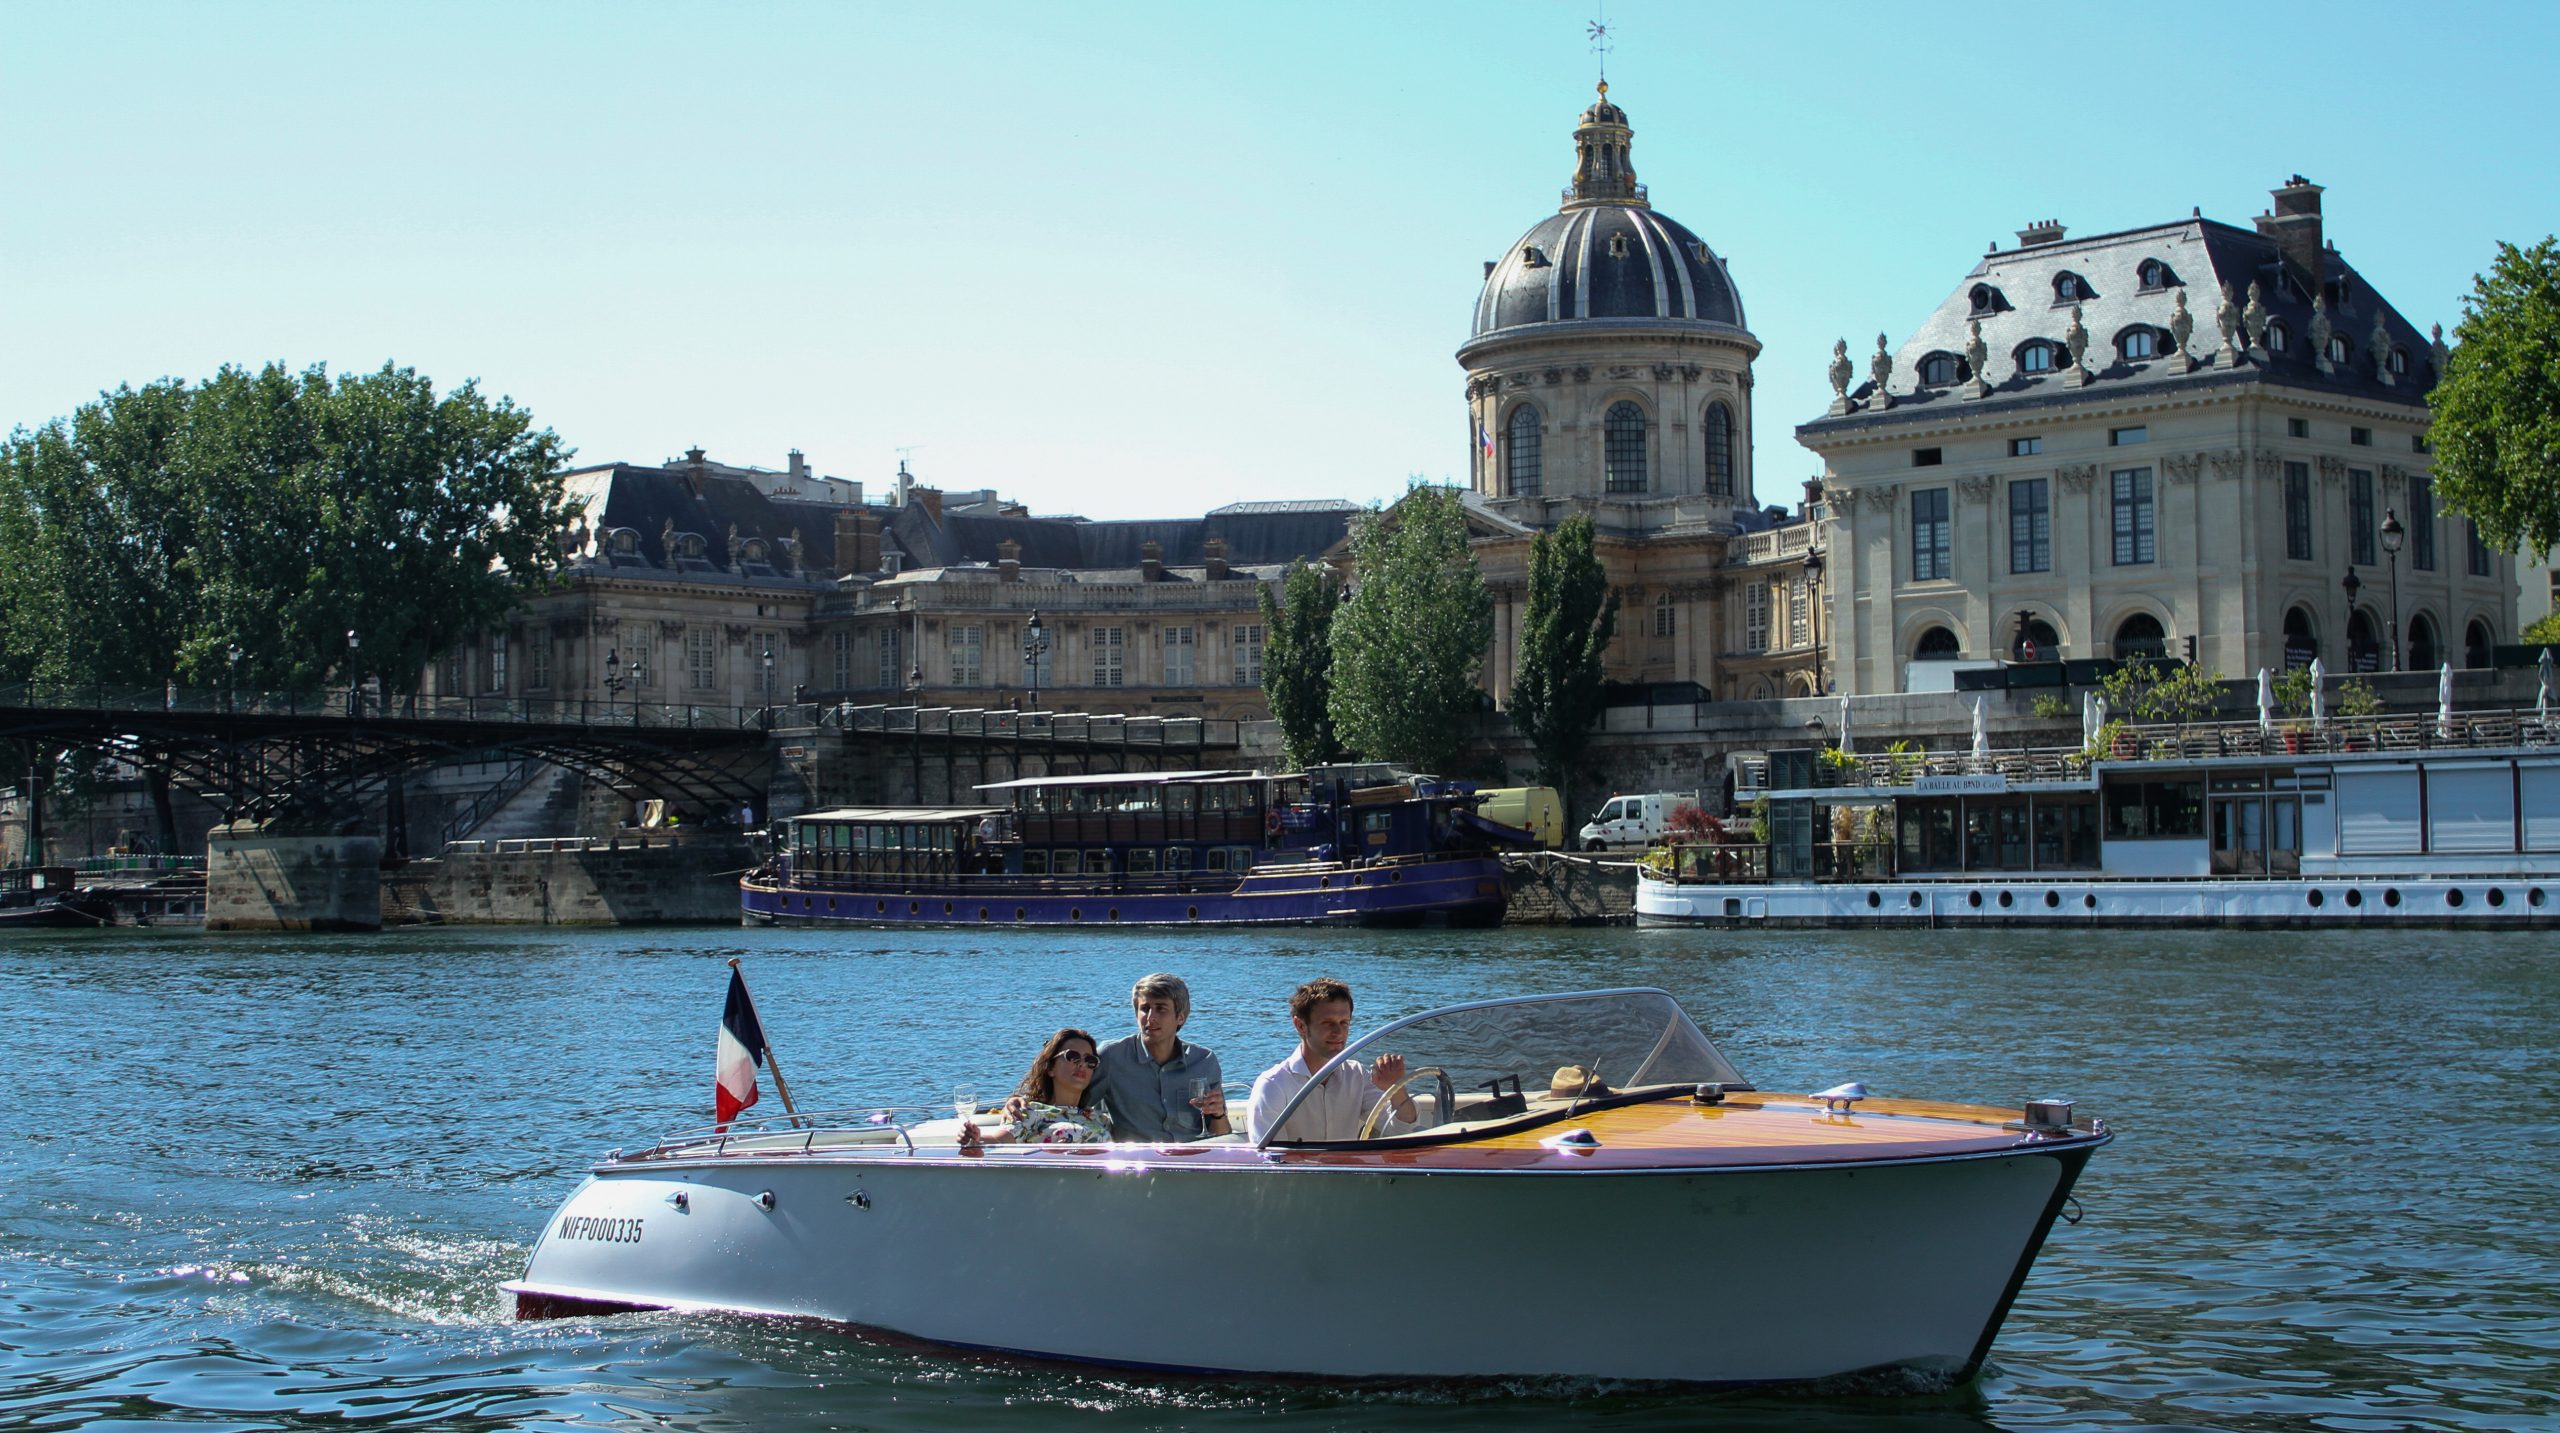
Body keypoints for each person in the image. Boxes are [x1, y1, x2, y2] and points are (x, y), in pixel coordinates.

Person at [1245, 978, 1415, 1144]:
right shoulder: (1273, 1084)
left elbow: (1401, 1131)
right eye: (1328, 1023)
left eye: (1344, 1023)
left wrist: (1397, 1088)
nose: (1338, 1032)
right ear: (1301, 1026)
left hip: (1349, 1170)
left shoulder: (1357, 1075)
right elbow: (1271, 1158)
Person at [1092, 973, 1229, 1142]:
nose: (1150, 1017)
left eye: (1161, 1009)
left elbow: (1221, 1137)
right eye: (1145, 1008)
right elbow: (1077, 1106)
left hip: (1193, 1159)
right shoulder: (1111, 1057)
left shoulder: (1204, 1061)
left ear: (1180, 1017)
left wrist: (1218, 1115)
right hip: (1138, 1163)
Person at [961, 1028, 1113, 1146]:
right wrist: (974, 1137)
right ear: (1050, 1068)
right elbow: (999, 1140)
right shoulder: (1028, 1112)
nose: (1081, 1064)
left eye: (1090, 1060)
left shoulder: (1099, 1118)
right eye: (1072, 1057)